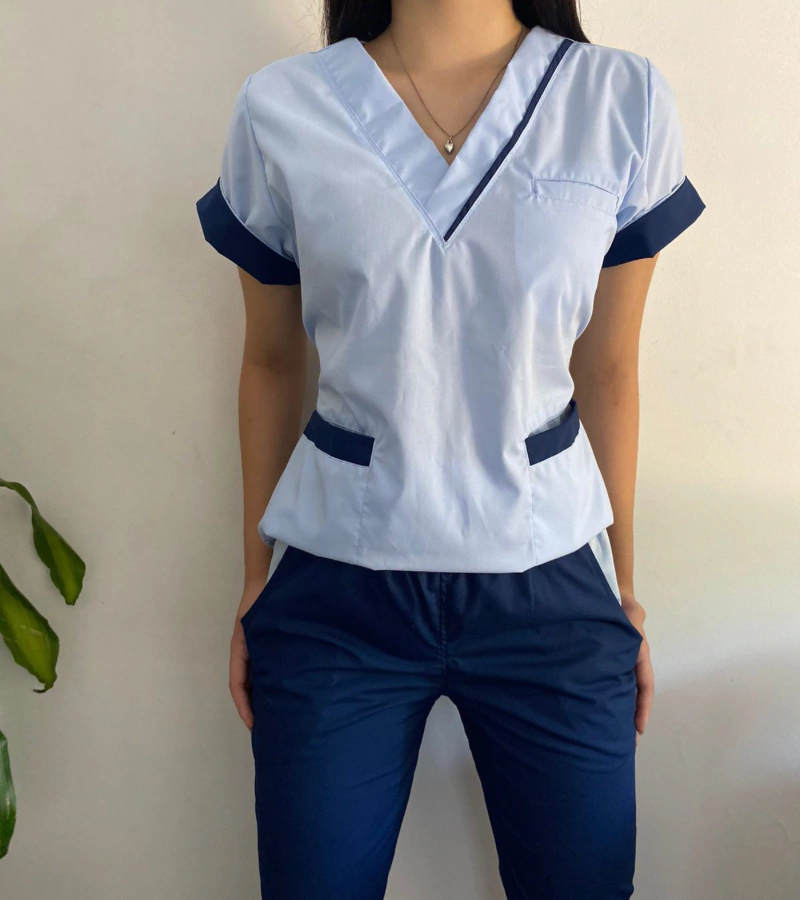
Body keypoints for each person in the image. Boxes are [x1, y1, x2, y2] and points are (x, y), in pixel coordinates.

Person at [195, 1, 706, 897]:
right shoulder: (282, 107)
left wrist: (623, 588)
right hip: (337, 591)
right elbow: (272, 362)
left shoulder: (619, 99)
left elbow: (609, 368)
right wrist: (254, 581)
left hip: (551, 581)